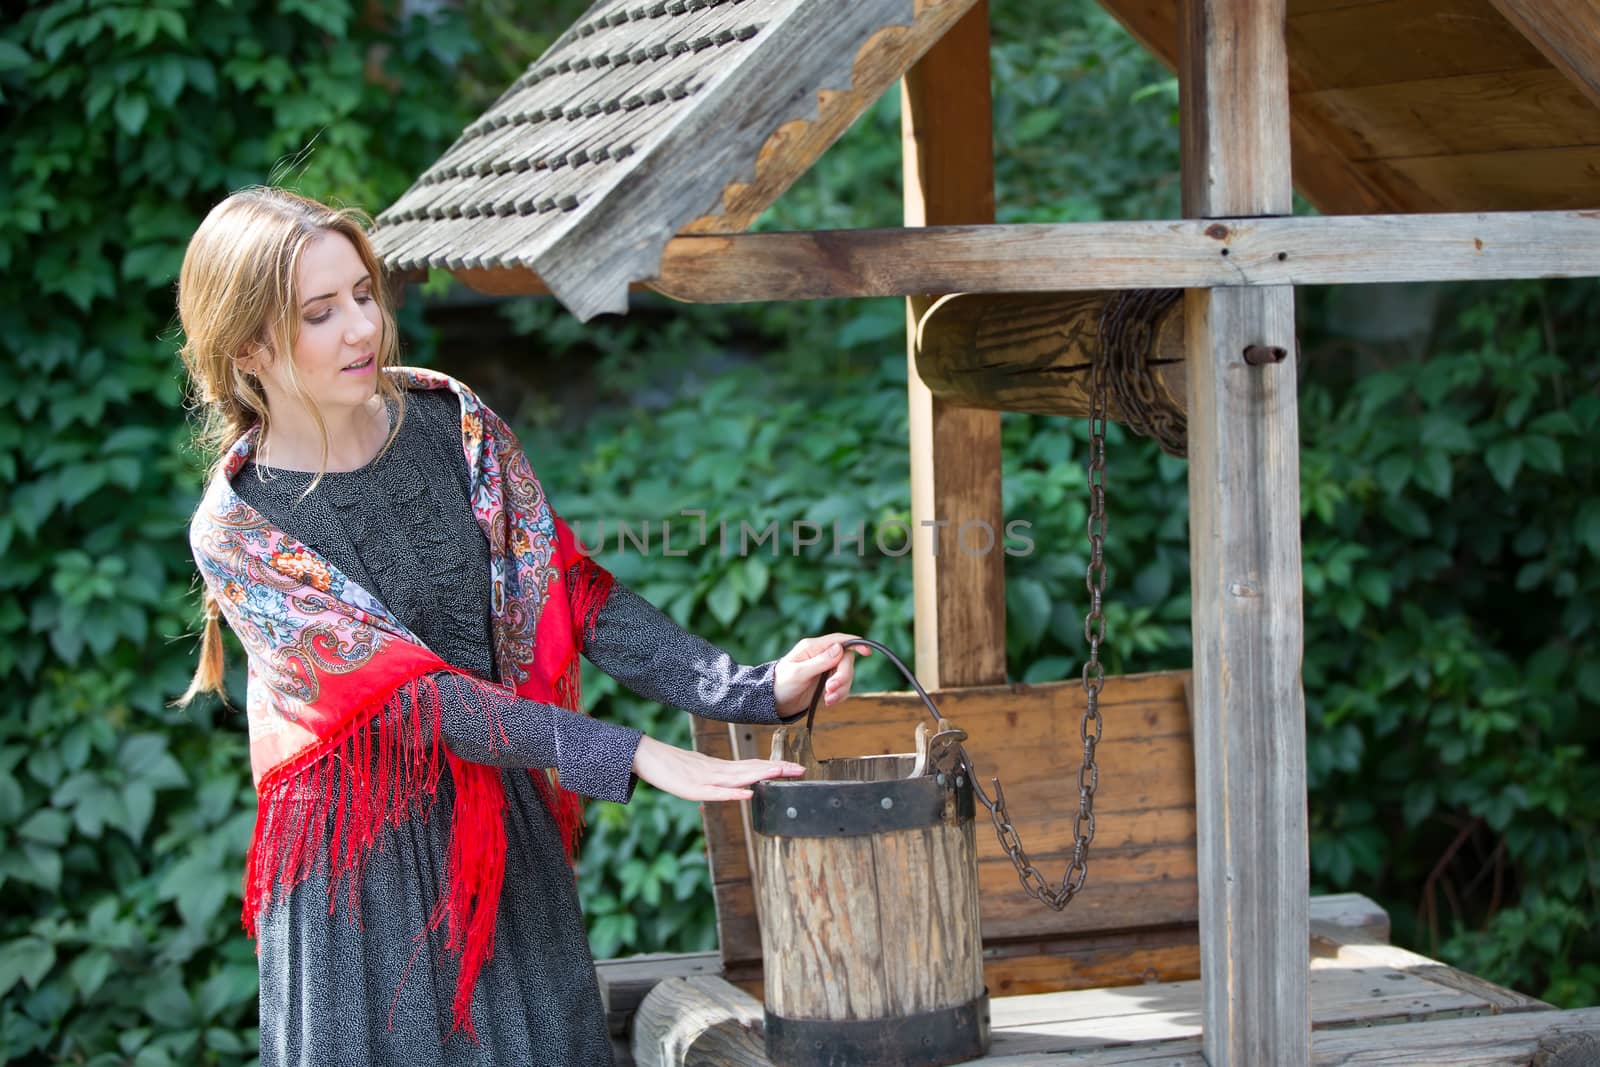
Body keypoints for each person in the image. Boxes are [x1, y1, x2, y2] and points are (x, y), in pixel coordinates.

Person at [175, 186, 871, 1066]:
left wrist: (749, 686)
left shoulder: (452, 422)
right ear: (249, 347)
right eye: (321, 312)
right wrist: (630, 752)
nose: (362, 326)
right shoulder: (238, 530)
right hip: (360, 888)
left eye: (362, 293)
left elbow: (568, 593)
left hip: (505, 839)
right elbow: (416, 702)